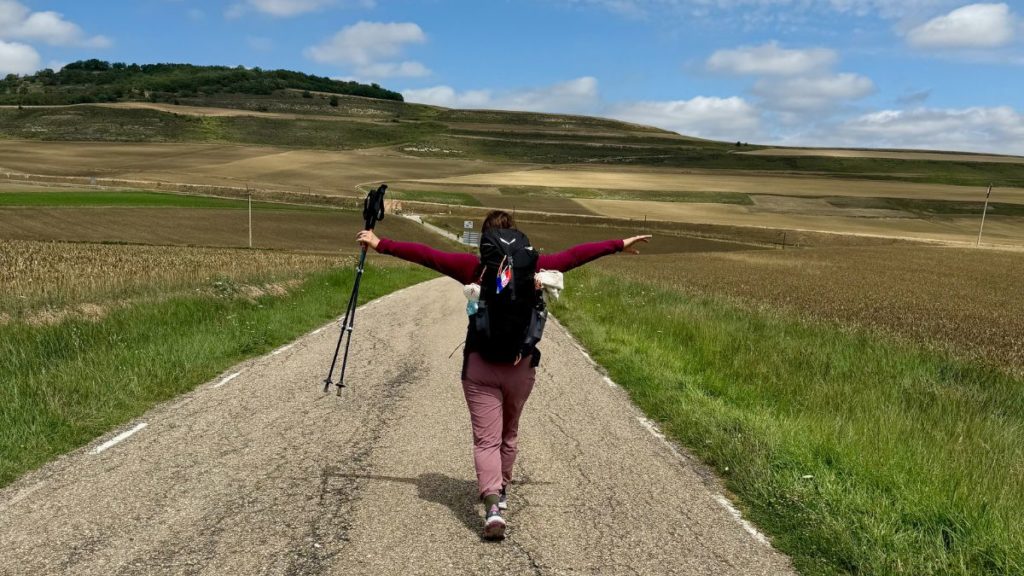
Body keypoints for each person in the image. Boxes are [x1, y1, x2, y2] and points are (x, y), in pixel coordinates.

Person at [357, 210, 651, 540]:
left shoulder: (475, 267)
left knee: (486, 440)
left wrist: (380, 243)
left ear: (486, 240)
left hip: (479, 366)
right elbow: (576, 255)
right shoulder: (536, 265)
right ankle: (503, 490)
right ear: (515, 235)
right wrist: (617, 244)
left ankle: (492, 506)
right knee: (508, 434)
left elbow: (427, 255)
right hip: (520, 368)